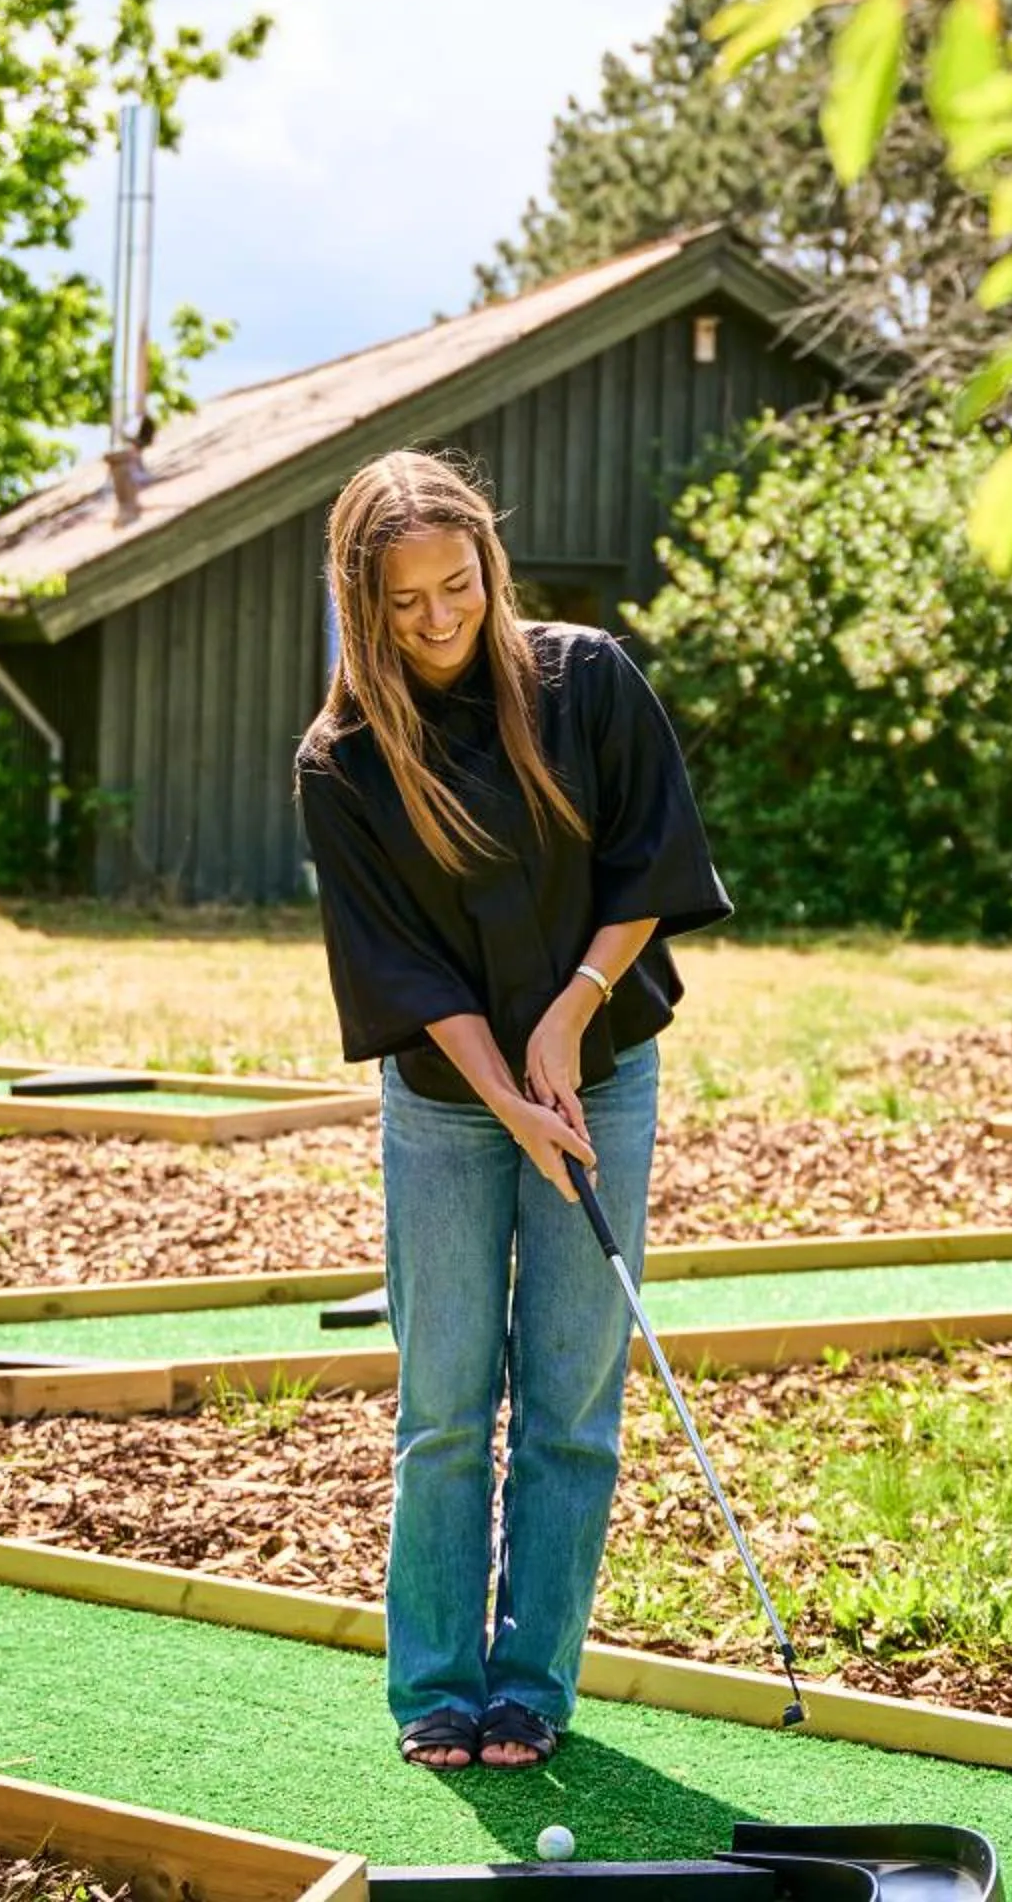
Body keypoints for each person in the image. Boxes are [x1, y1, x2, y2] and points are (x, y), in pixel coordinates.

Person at [294, 449, 731, 1772]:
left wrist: (569, 1018)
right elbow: (403, 974)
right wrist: (505, 1087)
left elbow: (649, 858)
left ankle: (531, 1688)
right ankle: (435, 1684)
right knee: (442, 1397)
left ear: (490, 561)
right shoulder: (345, 762)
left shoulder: (583, 680)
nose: (438, 620)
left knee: (567, 1398)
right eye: (405, 603)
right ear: (360, 608)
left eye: (458, 585)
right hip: (444, 1100)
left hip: (604, 1071)